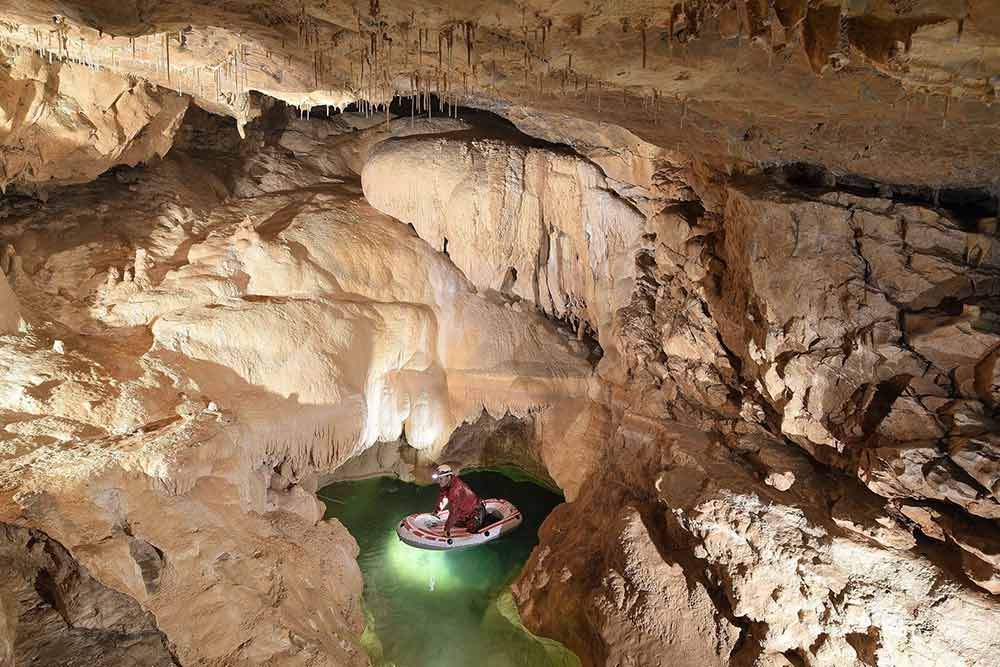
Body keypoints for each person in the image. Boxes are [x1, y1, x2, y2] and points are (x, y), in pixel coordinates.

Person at [432, 464, 486, 537]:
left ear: (448, 477)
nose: (439, 481)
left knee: (471, 527)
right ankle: (470, 520)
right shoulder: (446, 485)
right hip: (464, 513)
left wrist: (446, 529)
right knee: (457, 524)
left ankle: (485, 519)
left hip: (475, 510)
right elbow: (443, 498)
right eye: (438, 479)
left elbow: (454, 511)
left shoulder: (456, 489)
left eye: (441, 479)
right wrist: (436, 512)